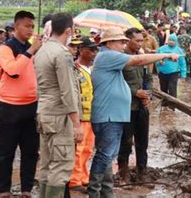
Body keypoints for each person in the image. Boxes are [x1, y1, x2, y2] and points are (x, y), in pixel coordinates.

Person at [88, 27, 179, 197]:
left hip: (115, 114)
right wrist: (164, 55)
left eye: (124, 42)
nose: (123, 45)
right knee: (105, 155)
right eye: (120, 42)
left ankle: (106, 193)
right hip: (109, 115)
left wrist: (147, 93)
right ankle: (94, 192)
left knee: (108, 156)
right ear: (109, 43)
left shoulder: (110, 56)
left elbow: (146, 76)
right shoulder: (108, 55)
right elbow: (138, 61)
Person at [34, 13, 83, 197]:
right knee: (61, 167)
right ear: (68, 30)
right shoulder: (62, 54)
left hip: (44, 114)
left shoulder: (42, 51)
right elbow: (68, 91)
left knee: (47, 165)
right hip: (59, 117)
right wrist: (76, 124)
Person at [0, 11, 42, 198]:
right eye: (26, 26)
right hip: (9, 106)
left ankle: (26, 189)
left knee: (30, 151)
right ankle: (4, 189)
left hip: (31, 104)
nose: (30, 29)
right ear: (15, 27)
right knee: (6, 151)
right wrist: (30, 51)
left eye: (32, 26)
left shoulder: (32, 47)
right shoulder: (5, 48)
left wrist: (36, 50)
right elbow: (13, 70)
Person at [117, 28, 153, 185]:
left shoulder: (142, 57)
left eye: (141, 40)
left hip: (142, 107)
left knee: (143, 141)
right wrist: (134, 92)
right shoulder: (121, 59)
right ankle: (123, 173)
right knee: (125, 141)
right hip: (126, 107)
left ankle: (142, 172)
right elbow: (116, 83)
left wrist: (148, 94)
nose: (140, 44)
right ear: (127, 41)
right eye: (137, 41)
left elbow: (149, 78)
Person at [68, 36, 98, 193]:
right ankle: (74, 180)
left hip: (92, 115)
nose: (94, 53)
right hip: (79, 117)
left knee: (87, 149)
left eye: (96, 50)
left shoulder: (93, 69)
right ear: (81, 50)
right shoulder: (74, 69)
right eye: (91, 50)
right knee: (78, 150)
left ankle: (84, 177)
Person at [156, 34, 187, 110]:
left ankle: (172, 107)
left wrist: (183, 75)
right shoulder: (161, 49)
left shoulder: (179, 51)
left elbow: (182, 63)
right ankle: (164, 105)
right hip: (162, 72)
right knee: (163, 89)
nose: (171, 42)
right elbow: (155, 59)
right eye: (170, 40)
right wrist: (160, 62)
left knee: (172, 88)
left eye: (173, 40)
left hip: (174, 73)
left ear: (176, 41)